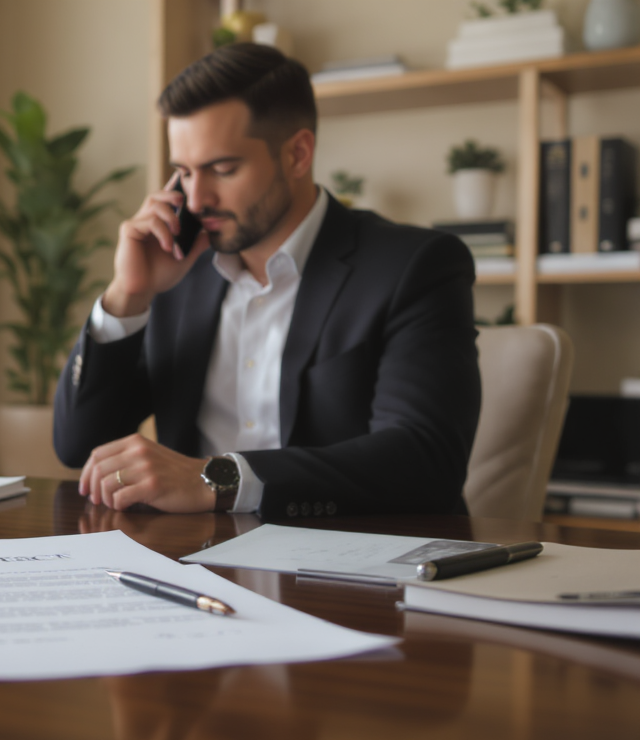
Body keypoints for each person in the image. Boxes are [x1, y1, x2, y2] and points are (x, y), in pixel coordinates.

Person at [52, 43, 480, 519]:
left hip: (347, 565)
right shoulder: (176, 271)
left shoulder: (413, 267)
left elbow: (426, 461)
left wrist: (217, 479)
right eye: (184, 173)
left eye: (222, 169)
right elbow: (78, 446)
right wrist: (127, 296)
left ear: (297, 154)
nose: (196, 199)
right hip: (193, 562)